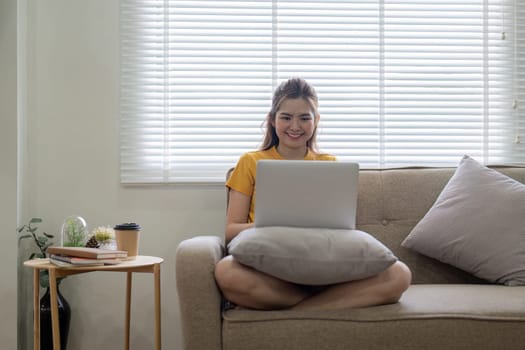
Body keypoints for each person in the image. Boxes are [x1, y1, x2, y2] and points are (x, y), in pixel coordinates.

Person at [214, 77, 412, 311]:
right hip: (272, 271)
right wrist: (272, 223)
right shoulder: (250, 162)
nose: (295, 126)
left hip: (324, 269)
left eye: (304, 118)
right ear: (272, 119)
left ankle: (301, 311)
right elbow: (230, 231)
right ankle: (321, 307)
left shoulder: (330, 164)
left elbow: (343, 226)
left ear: (316, 121)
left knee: (400, 274)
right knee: (226, 271)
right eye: (286, 117)